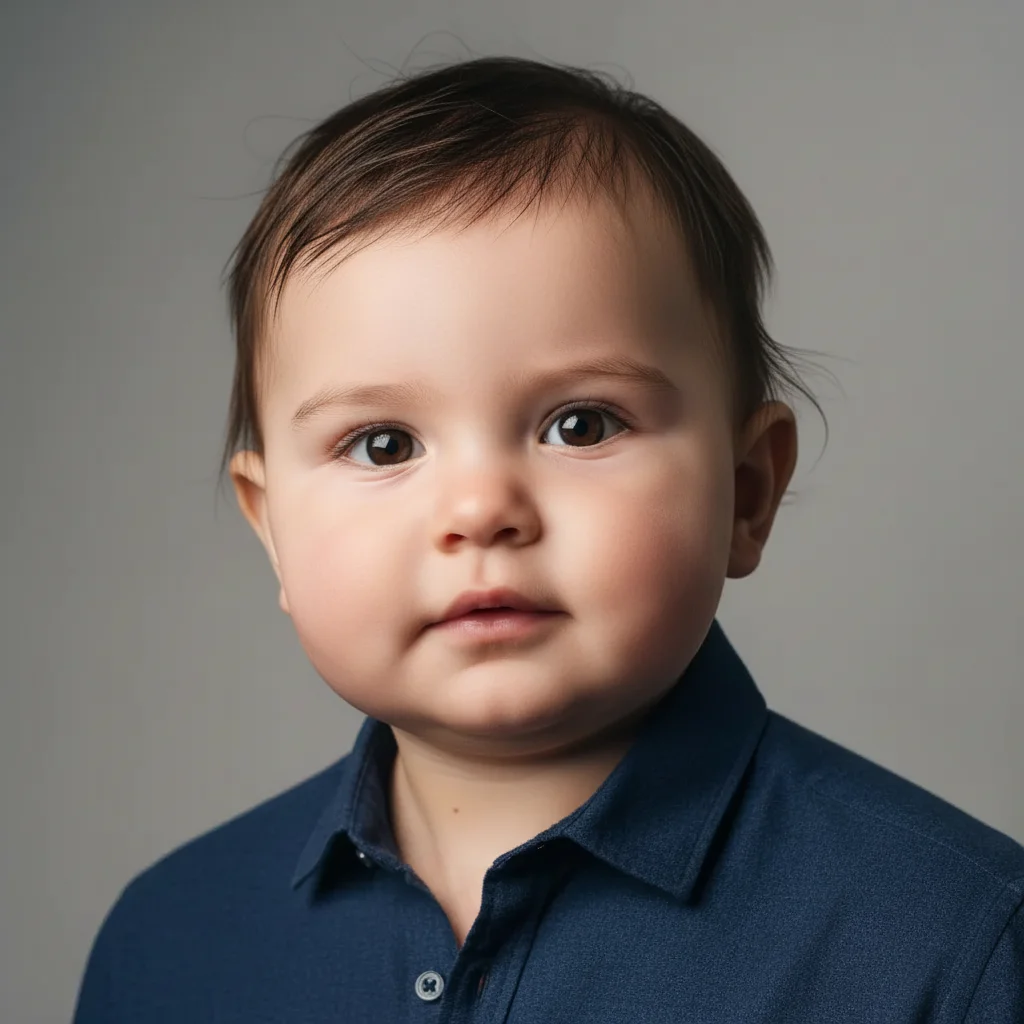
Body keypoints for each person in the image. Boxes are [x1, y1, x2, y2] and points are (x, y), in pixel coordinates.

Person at [72, 55, 1024, 1022]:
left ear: (747, 492)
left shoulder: (954, 944)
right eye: (384, 444)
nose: (481, 509)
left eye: (581, 425)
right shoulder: (167, 943)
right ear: (273, 529)